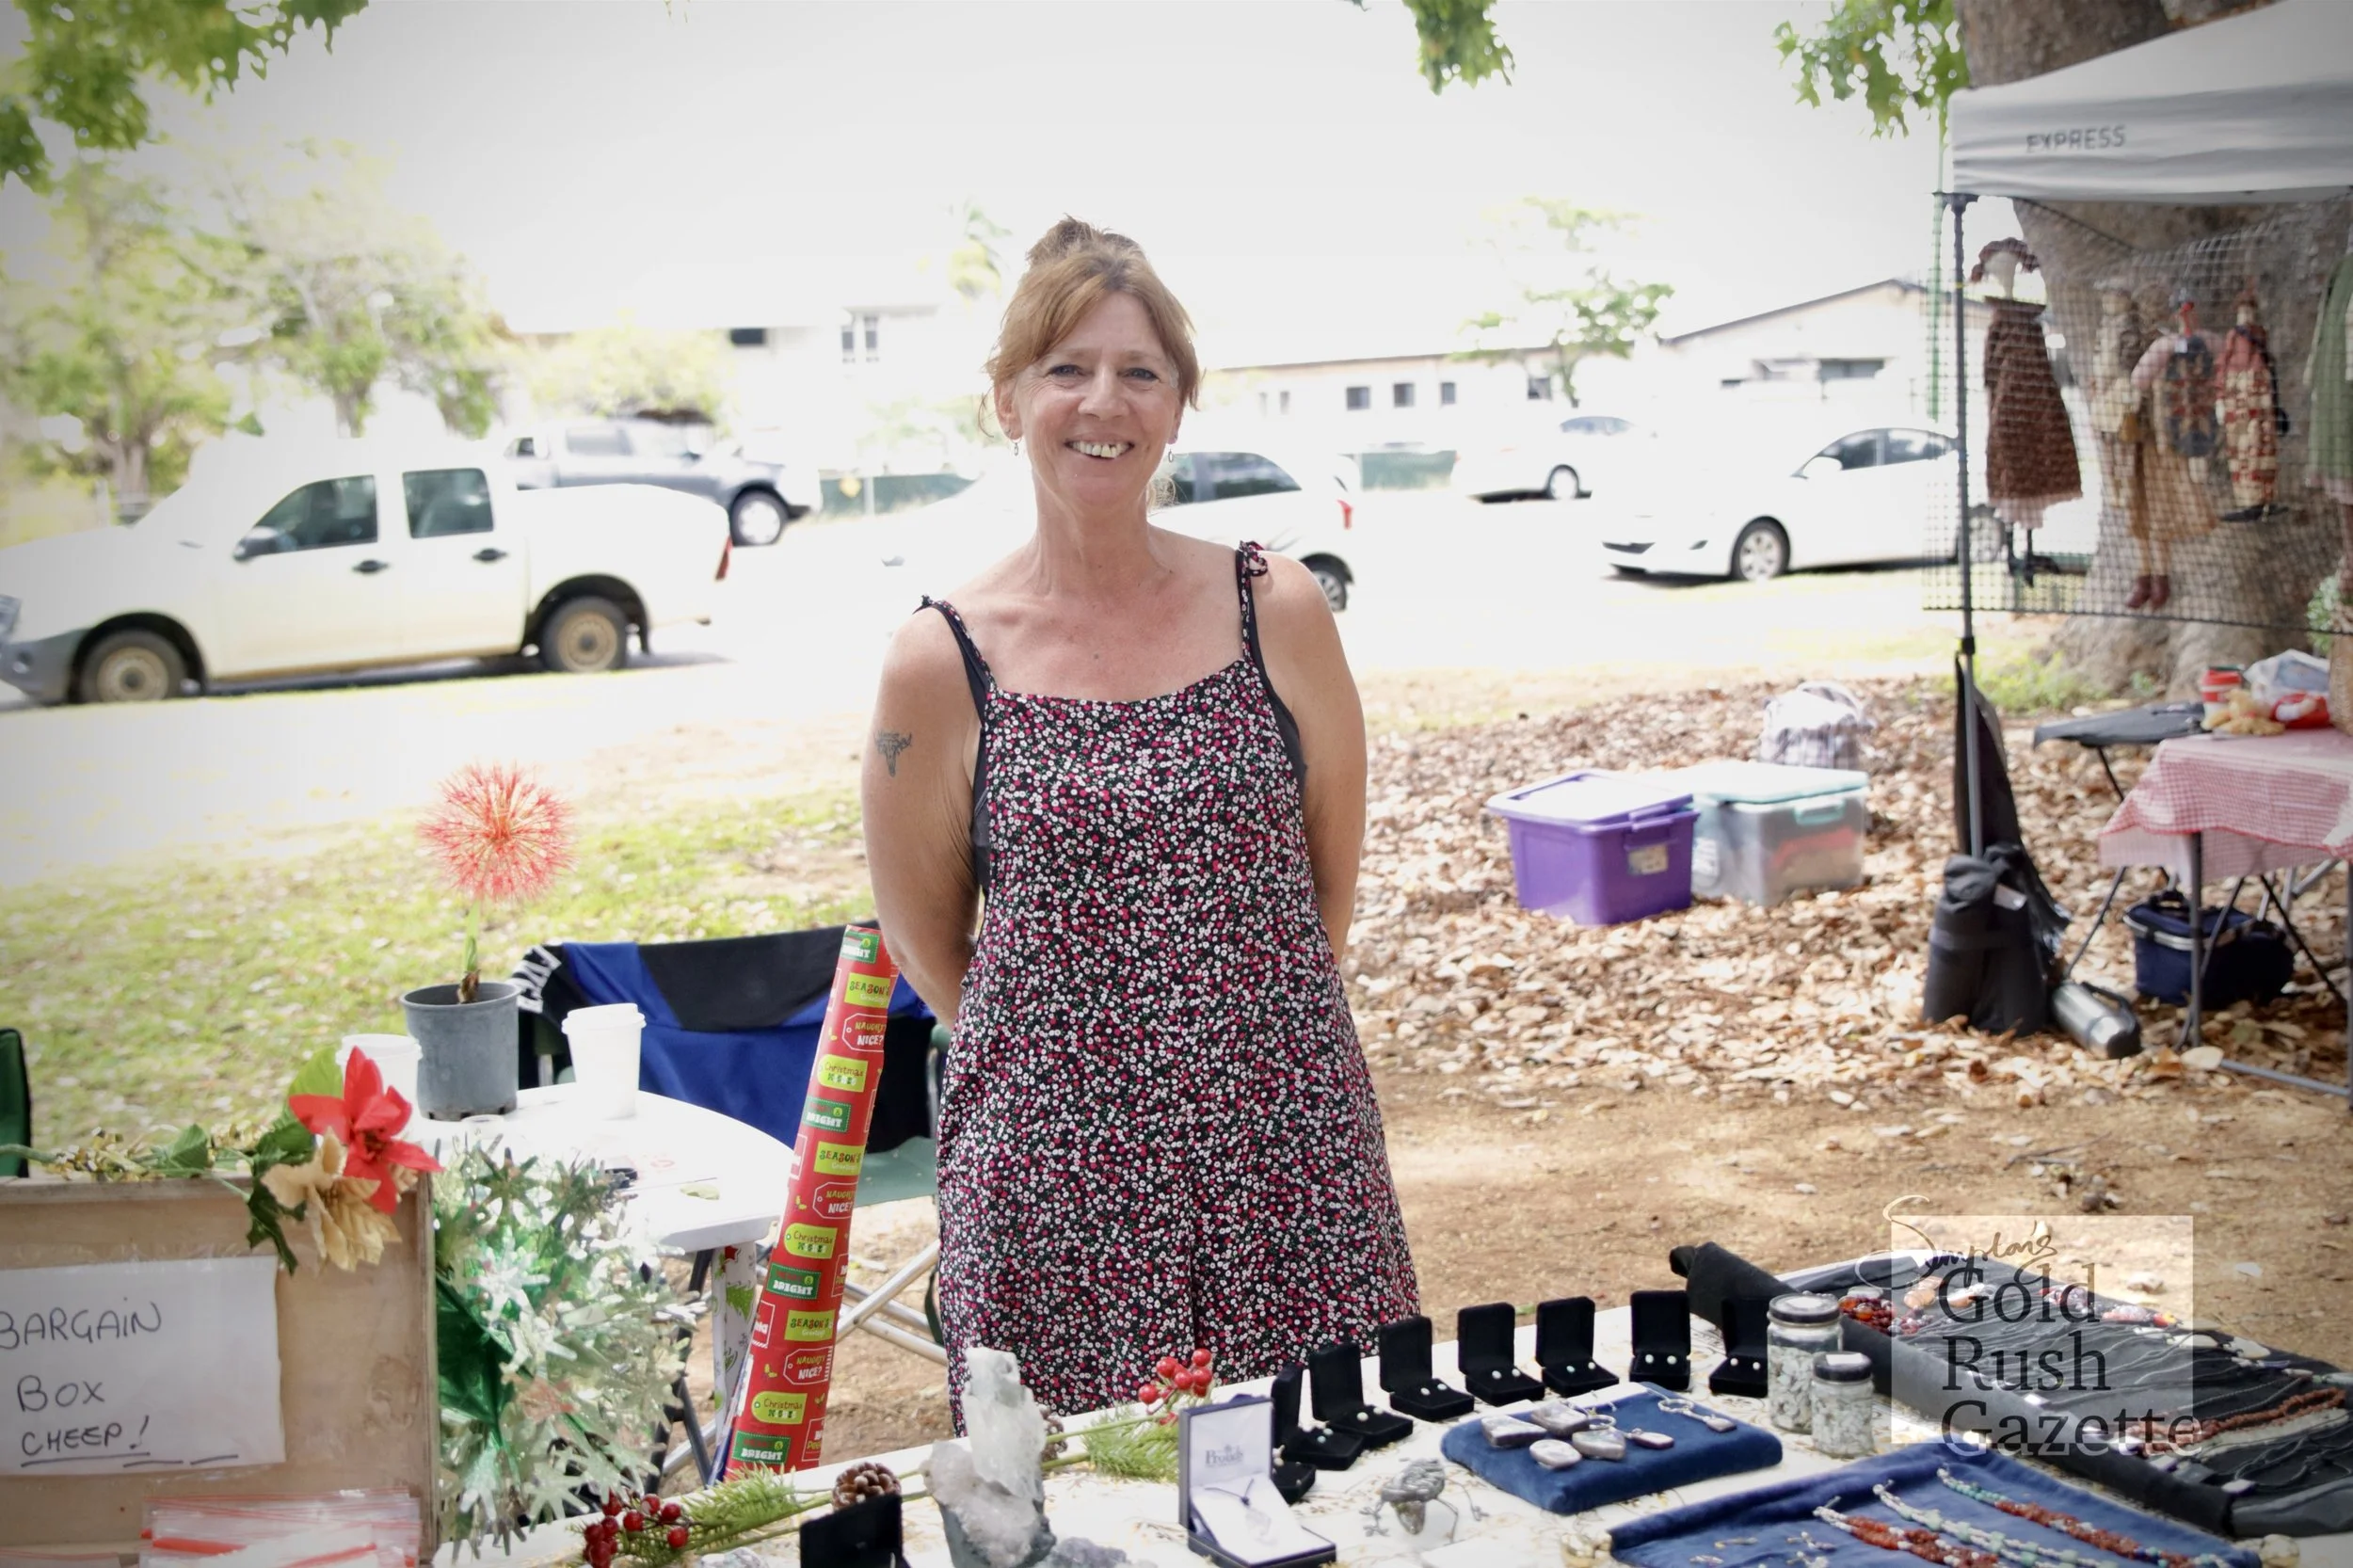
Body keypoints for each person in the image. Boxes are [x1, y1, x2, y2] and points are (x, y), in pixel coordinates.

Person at [861, 217, 1418, 1423]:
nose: (1100, 400)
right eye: (1064, 368)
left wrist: (1233, 1046)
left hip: (1285, 1144)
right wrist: (1083, 1071)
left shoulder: (1277, 605)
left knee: (1332, 1478)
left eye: (1138, 370)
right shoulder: (938, 659)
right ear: (1008, 401)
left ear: (1177, 405)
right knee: (1076, 1518)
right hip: (1054, 1183)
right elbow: (925, 941)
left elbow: (1327, 884)